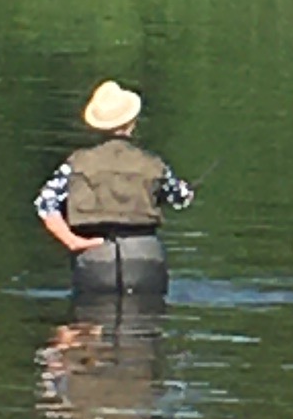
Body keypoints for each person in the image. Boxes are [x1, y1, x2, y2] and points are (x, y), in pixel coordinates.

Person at [36, 79, 194, 296]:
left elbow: (45, 204)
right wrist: (186, 191)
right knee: (148, 315)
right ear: (132, 122)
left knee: (89, 315)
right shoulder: (153, 164)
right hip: (145, 256)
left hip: (94, 256)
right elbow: (179, 198)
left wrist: (72, 241)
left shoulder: (76, 164)